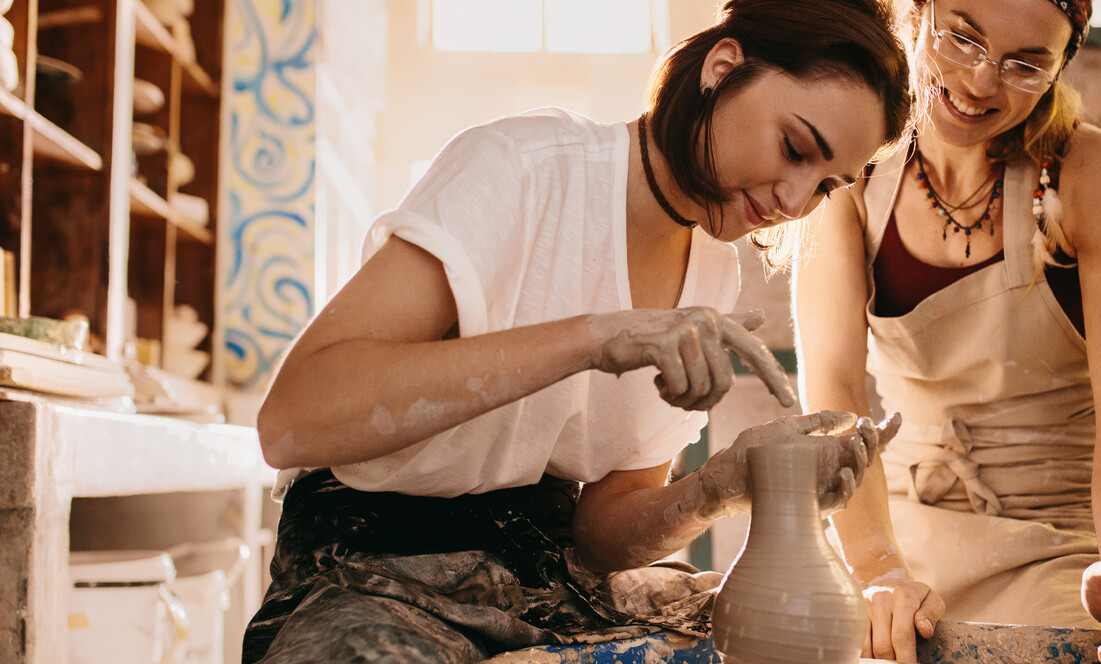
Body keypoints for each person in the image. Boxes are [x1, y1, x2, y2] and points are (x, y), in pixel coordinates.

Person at [242, 0, 913, 661]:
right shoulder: (521, 167)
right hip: (371, 565)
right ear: (722, 67)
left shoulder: (712, 277)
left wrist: (719, 486)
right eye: (794, 148)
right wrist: (594, 337)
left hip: (545, 577)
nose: (793, 202)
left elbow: (599, 536)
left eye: (826, 186)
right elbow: (294, 419)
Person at [793, 0, 1101, 661]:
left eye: (1024, 64)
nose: (980, 82)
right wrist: (875, 571)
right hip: (890, 534)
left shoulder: (1099, 174)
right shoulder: (854, 170)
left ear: (1061, 65)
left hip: (1061, 547)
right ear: (913, 14)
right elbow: (835, 394)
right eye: (961, 38)